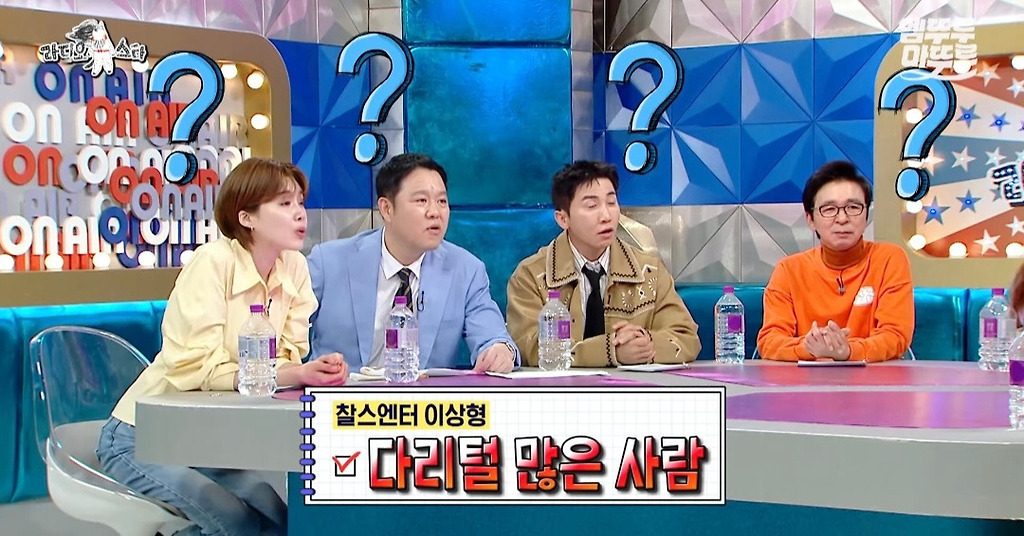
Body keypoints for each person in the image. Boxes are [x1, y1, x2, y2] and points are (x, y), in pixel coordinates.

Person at [97, 158, 350, 536]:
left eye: (300, 202)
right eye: (284, 204)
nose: (300, 213)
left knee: (280, 519)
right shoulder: (212, 262)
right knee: (235, 521)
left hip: (206, 437)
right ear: (246, 217)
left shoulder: (294, 266)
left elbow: (286, 358)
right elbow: (195, 368)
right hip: (143, 433)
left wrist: (309, 371)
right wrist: (292, 373)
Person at [308, 153, 518, 372]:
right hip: (342, 391)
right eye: (421, 201)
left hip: (423, 394)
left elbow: (492, 335)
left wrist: (500, 350)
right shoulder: (328, 263)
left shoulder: (466, 270)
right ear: (387, 209)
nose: (435, 212)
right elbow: (285, 338)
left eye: (442, 201)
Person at [506, 160, 701, 367]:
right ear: (563, 219)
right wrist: (610, 351)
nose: (606, 216)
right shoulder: (531, 276)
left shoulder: (649, 271)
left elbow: (686, 337)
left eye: (611, 202)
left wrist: (645, 344)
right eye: (591, 206)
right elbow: (529, 347)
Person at [756, 160, 914, 362]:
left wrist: (847, 351)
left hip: (873, 379)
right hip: (804, 381)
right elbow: (769, 341)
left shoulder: (889, 259)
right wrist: (814, 347)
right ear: (810, 219)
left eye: (853, 207)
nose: (842, 219)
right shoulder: (789, 270)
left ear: (866, 215)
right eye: (829, 209)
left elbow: (895, 336)